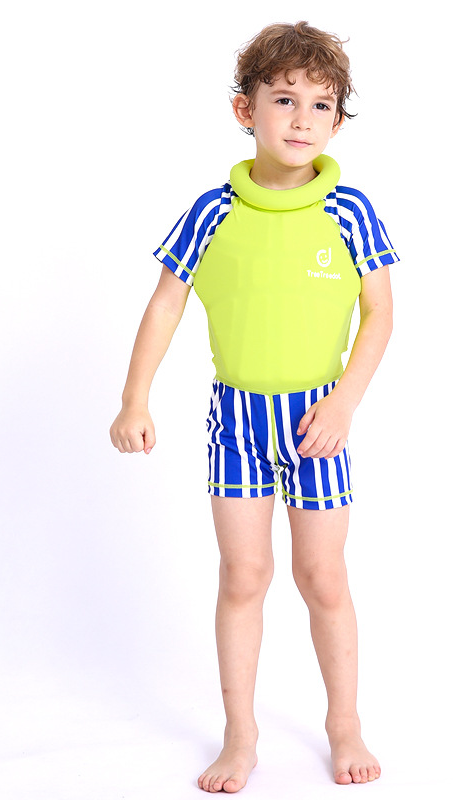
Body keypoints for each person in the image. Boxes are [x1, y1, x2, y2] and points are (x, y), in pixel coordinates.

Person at [109, 20, 399, 793]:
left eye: (321, 104)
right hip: (236, 422)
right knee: (243, 574)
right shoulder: (211, 211)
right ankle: (241, 734)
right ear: (247, 110)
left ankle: (344, 724)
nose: (302, 119)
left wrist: (345, 403)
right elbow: (165, 304)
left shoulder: (350, 211)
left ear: (338, 122)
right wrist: (135, 397)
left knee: (322, 575)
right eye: (284, 99)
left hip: (317, 423)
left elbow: (380, 314)